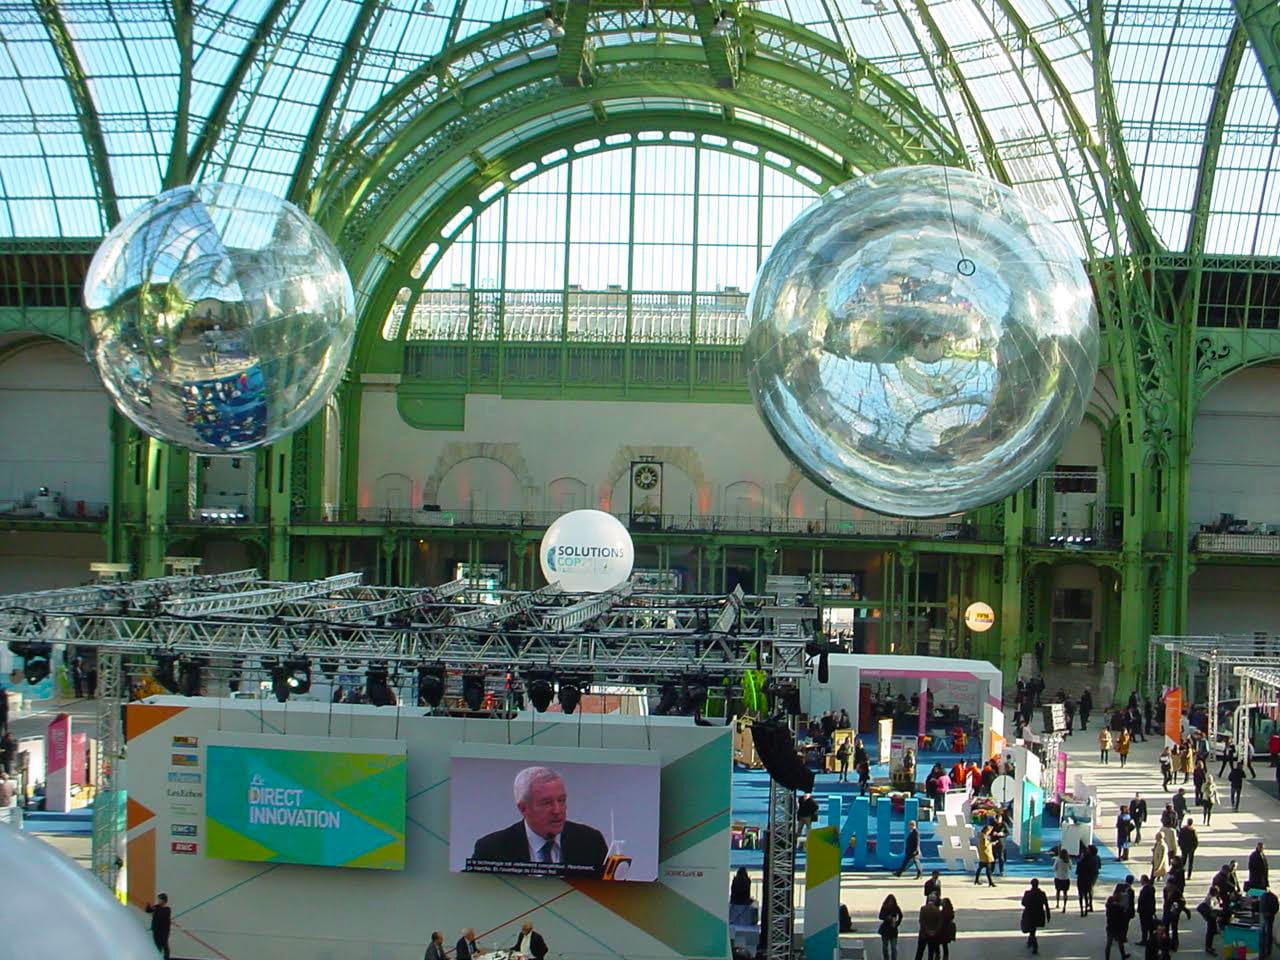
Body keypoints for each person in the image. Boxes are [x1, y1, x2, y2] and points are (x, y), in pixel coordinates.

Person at [470, 766, 608, 876]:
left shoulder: (591, 842)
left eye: (562, 800)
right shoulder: (491, 850)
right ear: (523, 808)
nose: (557, 810)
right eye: (547, 803)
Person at [1021, 878, 1051, 954]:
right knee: (1033, 929)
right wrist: (1048, 915)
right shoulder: (1042, 893)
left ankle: (1034, 944)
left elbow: (1023, 903)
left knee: (1032, 929)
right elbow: (1046, 905)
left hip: (1029, 913)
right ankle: (1031, 941)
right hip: (1039, 914)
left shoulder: (1027, 893)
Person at [1105, 884, 1133, 960]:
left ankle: (1107, 958)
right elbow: (1123, 913)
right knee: (1120, 942)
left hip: (1110, 924)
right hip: (1118, 925)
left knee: (1109, 943)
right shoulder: (1121, 903)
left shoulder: (1111, 900)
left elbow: (1108, 910)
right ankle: (1123, 955)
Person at [1198, 886, 1225, 955]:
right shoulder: (1211, 898)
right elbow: (1213, 908)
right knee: (1210, 931)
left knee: (1211, 930)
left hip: (1210, 915)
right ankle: (1208, 947)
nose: (1218, 893)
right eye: (1217, 892)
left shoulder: (1211, 896)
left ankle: (1209, 945)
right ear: (1215, 892)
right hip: (1210, 915)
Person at [914, 896, 943, 960]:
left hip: (923, 934)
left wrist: (927, 930)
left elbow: (921, 921)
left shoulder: (923, 909)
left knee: (920, 952)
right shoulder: (937, 910)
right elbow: (939, 923)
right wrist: (934, 931)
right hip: (933, 935)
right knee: (931, 953)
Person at [1163, 883, 1190, 952]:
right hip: (1166, 912)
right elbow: (1166, 901)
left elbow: (1182, 902)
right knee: (1165, 928)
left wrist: (1177, 910)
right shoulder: (1165, 890)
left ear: (1173, 885)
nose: (1167, 886)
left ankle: (1175, 944)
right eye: (1167, 885)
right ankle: (1166, 943)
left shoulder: (1177, 892)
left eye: (1169, 885)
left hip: (1174, 913)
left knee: (1174, 929)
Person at [145, 893, 172, 959]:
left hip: (163, 931)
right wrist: (148, 906)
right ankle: (157, 957)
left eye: (159, 899)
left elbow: (161, 914)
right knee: (157, 945)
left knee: (164, 944)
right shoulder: (157, 907)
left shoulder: (167, 909)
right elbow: (148, 911)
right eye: (158, 899)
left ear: (163, 900)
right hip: (156, 930)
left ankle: (166, 958)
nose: (158, 900)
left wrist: (155, 908)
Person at [1078, 844, 1102, 916]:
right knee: (1090, 889)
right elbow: (1099, 867)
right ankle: (1090, 904)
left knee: (1086, 891)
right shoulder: (1097, 857)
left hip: (1088, 876)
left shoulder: (1088, 858)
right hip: (1094, 875)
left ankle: (1088, 904)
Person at [879, 893, 904, 960]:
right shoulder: (884, 907)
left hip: (893, 929)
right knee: (885, 947)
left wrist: (897, 923)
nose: (891, 903)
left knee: (893, 947)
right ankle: (886, 958)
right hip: (885, 929)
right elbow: (880, 916)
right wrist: (887, 917)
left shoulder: (896, 907)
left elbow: (901, 915)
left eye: (892, 901)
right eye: (890, 901)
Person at [1137, 875, 1158, 947]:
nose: (1140, 881)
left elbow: (1143, 901)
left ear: (1144, 880)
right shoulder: (1151, 888)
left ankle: (1144, 940)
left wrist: (1139, 909)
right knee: (1150, 926)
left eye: (1141, 880)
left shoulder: (1145, 890)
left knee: (1144, 926)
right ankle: (1150, 938)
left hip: (1144, 911)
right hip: (1150, 910)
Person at [1052, 847, 1072, 913]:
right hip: (1066, 878)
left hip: (1058, 878)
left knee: (1058, 891)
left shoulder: (1058, 860)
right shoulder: (1069, 860)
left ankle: (1057, 904)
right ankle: (1064, 906)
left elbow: (1054, 868)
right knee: (1065, 893)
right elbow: (1071, 868)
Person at [1262, 887, 1279, 958]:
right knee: (1269, 931)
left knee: (1265, 931)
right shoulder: (1273, 897)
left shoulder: (1263, 897)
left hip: (1267, 913)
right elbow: (1277, 907)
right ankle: (1268, 951)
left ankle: (1265, 951)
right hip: (1271, 913)